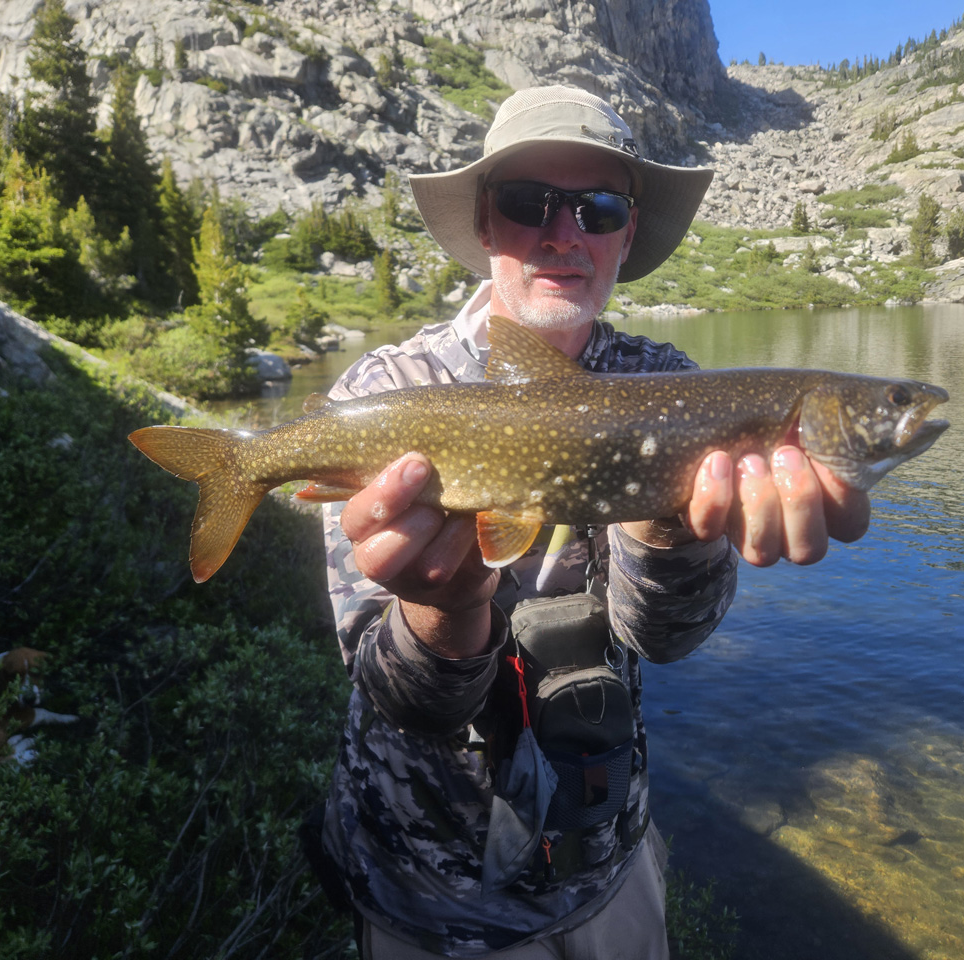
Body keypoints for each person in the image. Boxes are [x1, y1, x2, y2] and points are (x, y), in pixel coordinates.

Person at [308, 86, 870, 958]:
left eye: (598, 207)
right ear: (488, 224)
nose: (563, 233)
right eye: (529, 203)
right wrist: (448, 610)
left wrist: (669, 529)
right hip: (425, 888)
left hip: (604, 863)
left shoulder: (669, 383)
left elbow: (665, 638)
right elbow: (397, 698)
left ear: (627, 232)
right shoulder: (384, 397)